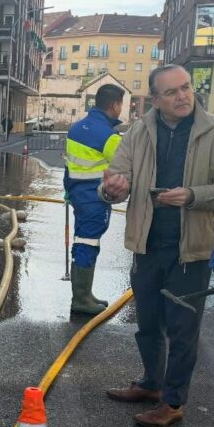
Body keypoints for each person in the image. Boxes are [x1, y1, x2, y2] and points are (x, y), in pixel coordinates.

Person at [99, 64, 214, 427]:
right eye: (171, 92)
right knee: (147, 322)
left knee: (183, 330)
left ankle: (173, 401)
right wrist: (111, 190)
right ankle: (151, 383)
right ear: (155, 99)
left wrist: (193, 196)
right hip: (146, 244)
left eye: (185, 88)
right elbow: (117, 178)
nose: (182, 96)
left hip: (189, 248)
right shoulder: (138, 131)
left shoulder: (211, 131)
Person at [64, 84, 125, 314]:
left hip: (79, 196)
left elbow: (68, 165)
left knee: (83, 241)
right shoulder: (108, 136)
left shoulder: (76, 129)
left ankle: (84, 294)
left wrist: (68, 190)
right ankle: (81, 300)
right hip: (95, 197)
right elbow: (126, 166)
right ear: (114, 105)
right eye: (121, 104)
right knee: (88, 243)